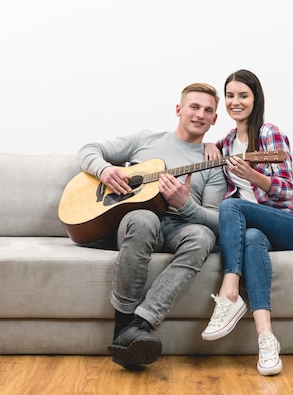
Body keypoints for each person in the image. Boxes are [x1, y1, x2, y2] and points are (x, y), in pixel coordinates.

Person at [77, 83, 228, 371]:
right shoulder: (146, 140)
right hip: (136, 223)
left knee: (202, 235)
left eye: (208, 110)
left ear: (214, 119)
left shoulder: (212, 162)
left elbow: (216, 220)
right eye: (194, 107)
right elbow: (89, 150)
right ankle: (124, 327)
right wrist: (105, 169)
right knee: (144, 218)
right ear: (178, 109)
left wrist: (186, 205)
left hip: (178, 229)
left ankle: (139, 327)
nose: (200, 114)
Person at [200, 69, 293, 376]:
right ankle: (266, 339)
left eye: (243, 96)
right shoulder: (226, 143)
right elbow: (211, 152)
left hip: (290, 224)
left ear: (255, 98)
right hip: (256, 230)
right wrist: (209, 146)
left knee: (232, 205)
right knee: (249, 238)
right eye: (231, 96)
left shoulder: (268, 133)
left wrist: (254, 176)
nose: (236, 102)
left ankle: (229, 292)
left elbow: (287, 190)